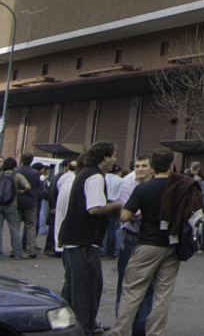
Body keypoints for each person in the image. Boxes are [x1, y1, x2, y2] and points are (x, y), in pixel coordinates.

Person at [106, 147, 203, 336]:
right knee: (163, 295)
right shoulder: (181, 187)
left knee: (133, 291)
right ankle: (154, 332)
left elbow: (125, 216)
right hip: (173, 244)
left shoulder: (143, 189)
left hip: (147, 244)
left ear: (152, 168)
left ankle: (120, 331)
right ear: (171, 165)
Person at [59, 140, 121, 334]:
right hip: (83, 240)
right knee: (88, 287)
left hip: (73, 239)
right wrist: (117, 205)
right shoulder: (95, 177)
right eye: (113, 155)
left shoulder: (84, 173)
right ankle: (85, 327)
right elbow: (94, 208)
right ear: (104, 157)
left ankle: (70, 324)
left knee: (74, 286)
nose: (115, 160)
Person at [115, 156, 155, 335]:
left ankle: (140, 330)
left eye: (144, 166)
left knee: (147, 288)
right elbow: (132, 213)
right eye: (137, 166)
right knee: (125, 285)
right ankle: (122, 328)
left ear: (151, 168)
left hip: (150, 240)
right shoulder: (128, 188)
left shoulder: (155, 187)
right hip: (131, 238)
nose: (140, 169)